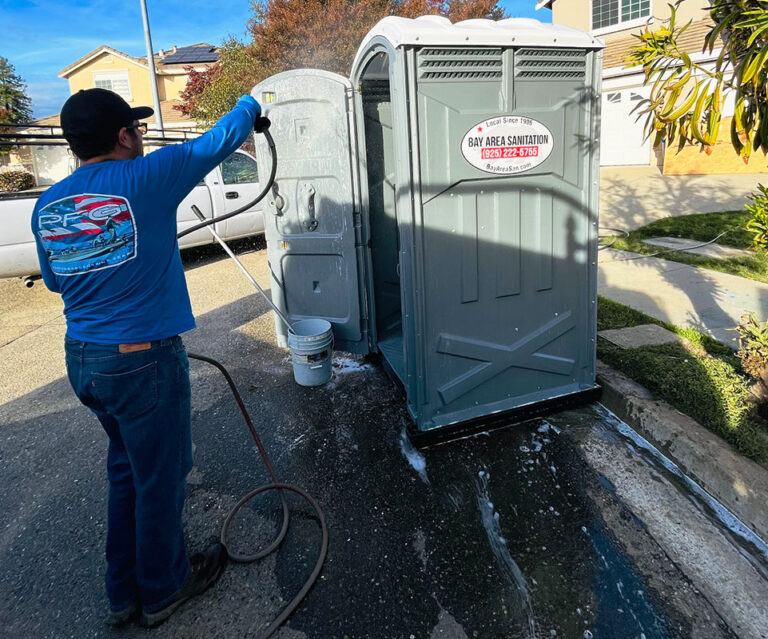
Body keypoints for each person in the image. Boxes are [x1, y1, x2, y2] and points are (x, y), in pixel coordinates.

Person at [31, 88, 262, 627]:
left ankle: (122, 592)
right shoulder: (146, 179)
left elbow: (53, 281)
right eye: (134, 127)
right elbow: (218, 141)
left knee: (125, 470)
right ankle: (163, 589)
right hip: (140, 362)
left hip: (84, 360)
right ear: (122, 136)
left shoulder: (48, 204)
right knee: (160, 476)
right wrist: (252, 103)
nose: (139, 135)